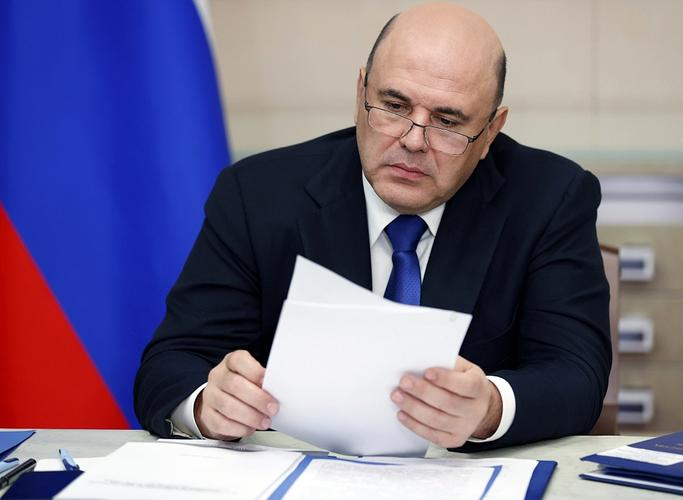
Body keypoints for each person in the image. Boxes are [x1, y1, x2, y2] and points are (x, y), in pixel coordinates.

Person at [134, 3, 611, 451]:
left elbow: (576, 375)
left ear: (490, 131)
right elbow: (172, 363)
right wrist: (207, 404)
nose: (413, 140)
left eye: (447, 121)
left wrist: (489, 408)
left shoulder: (549, 199)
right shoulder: (257, 195)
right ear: (361, 92)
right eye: (394, 106)